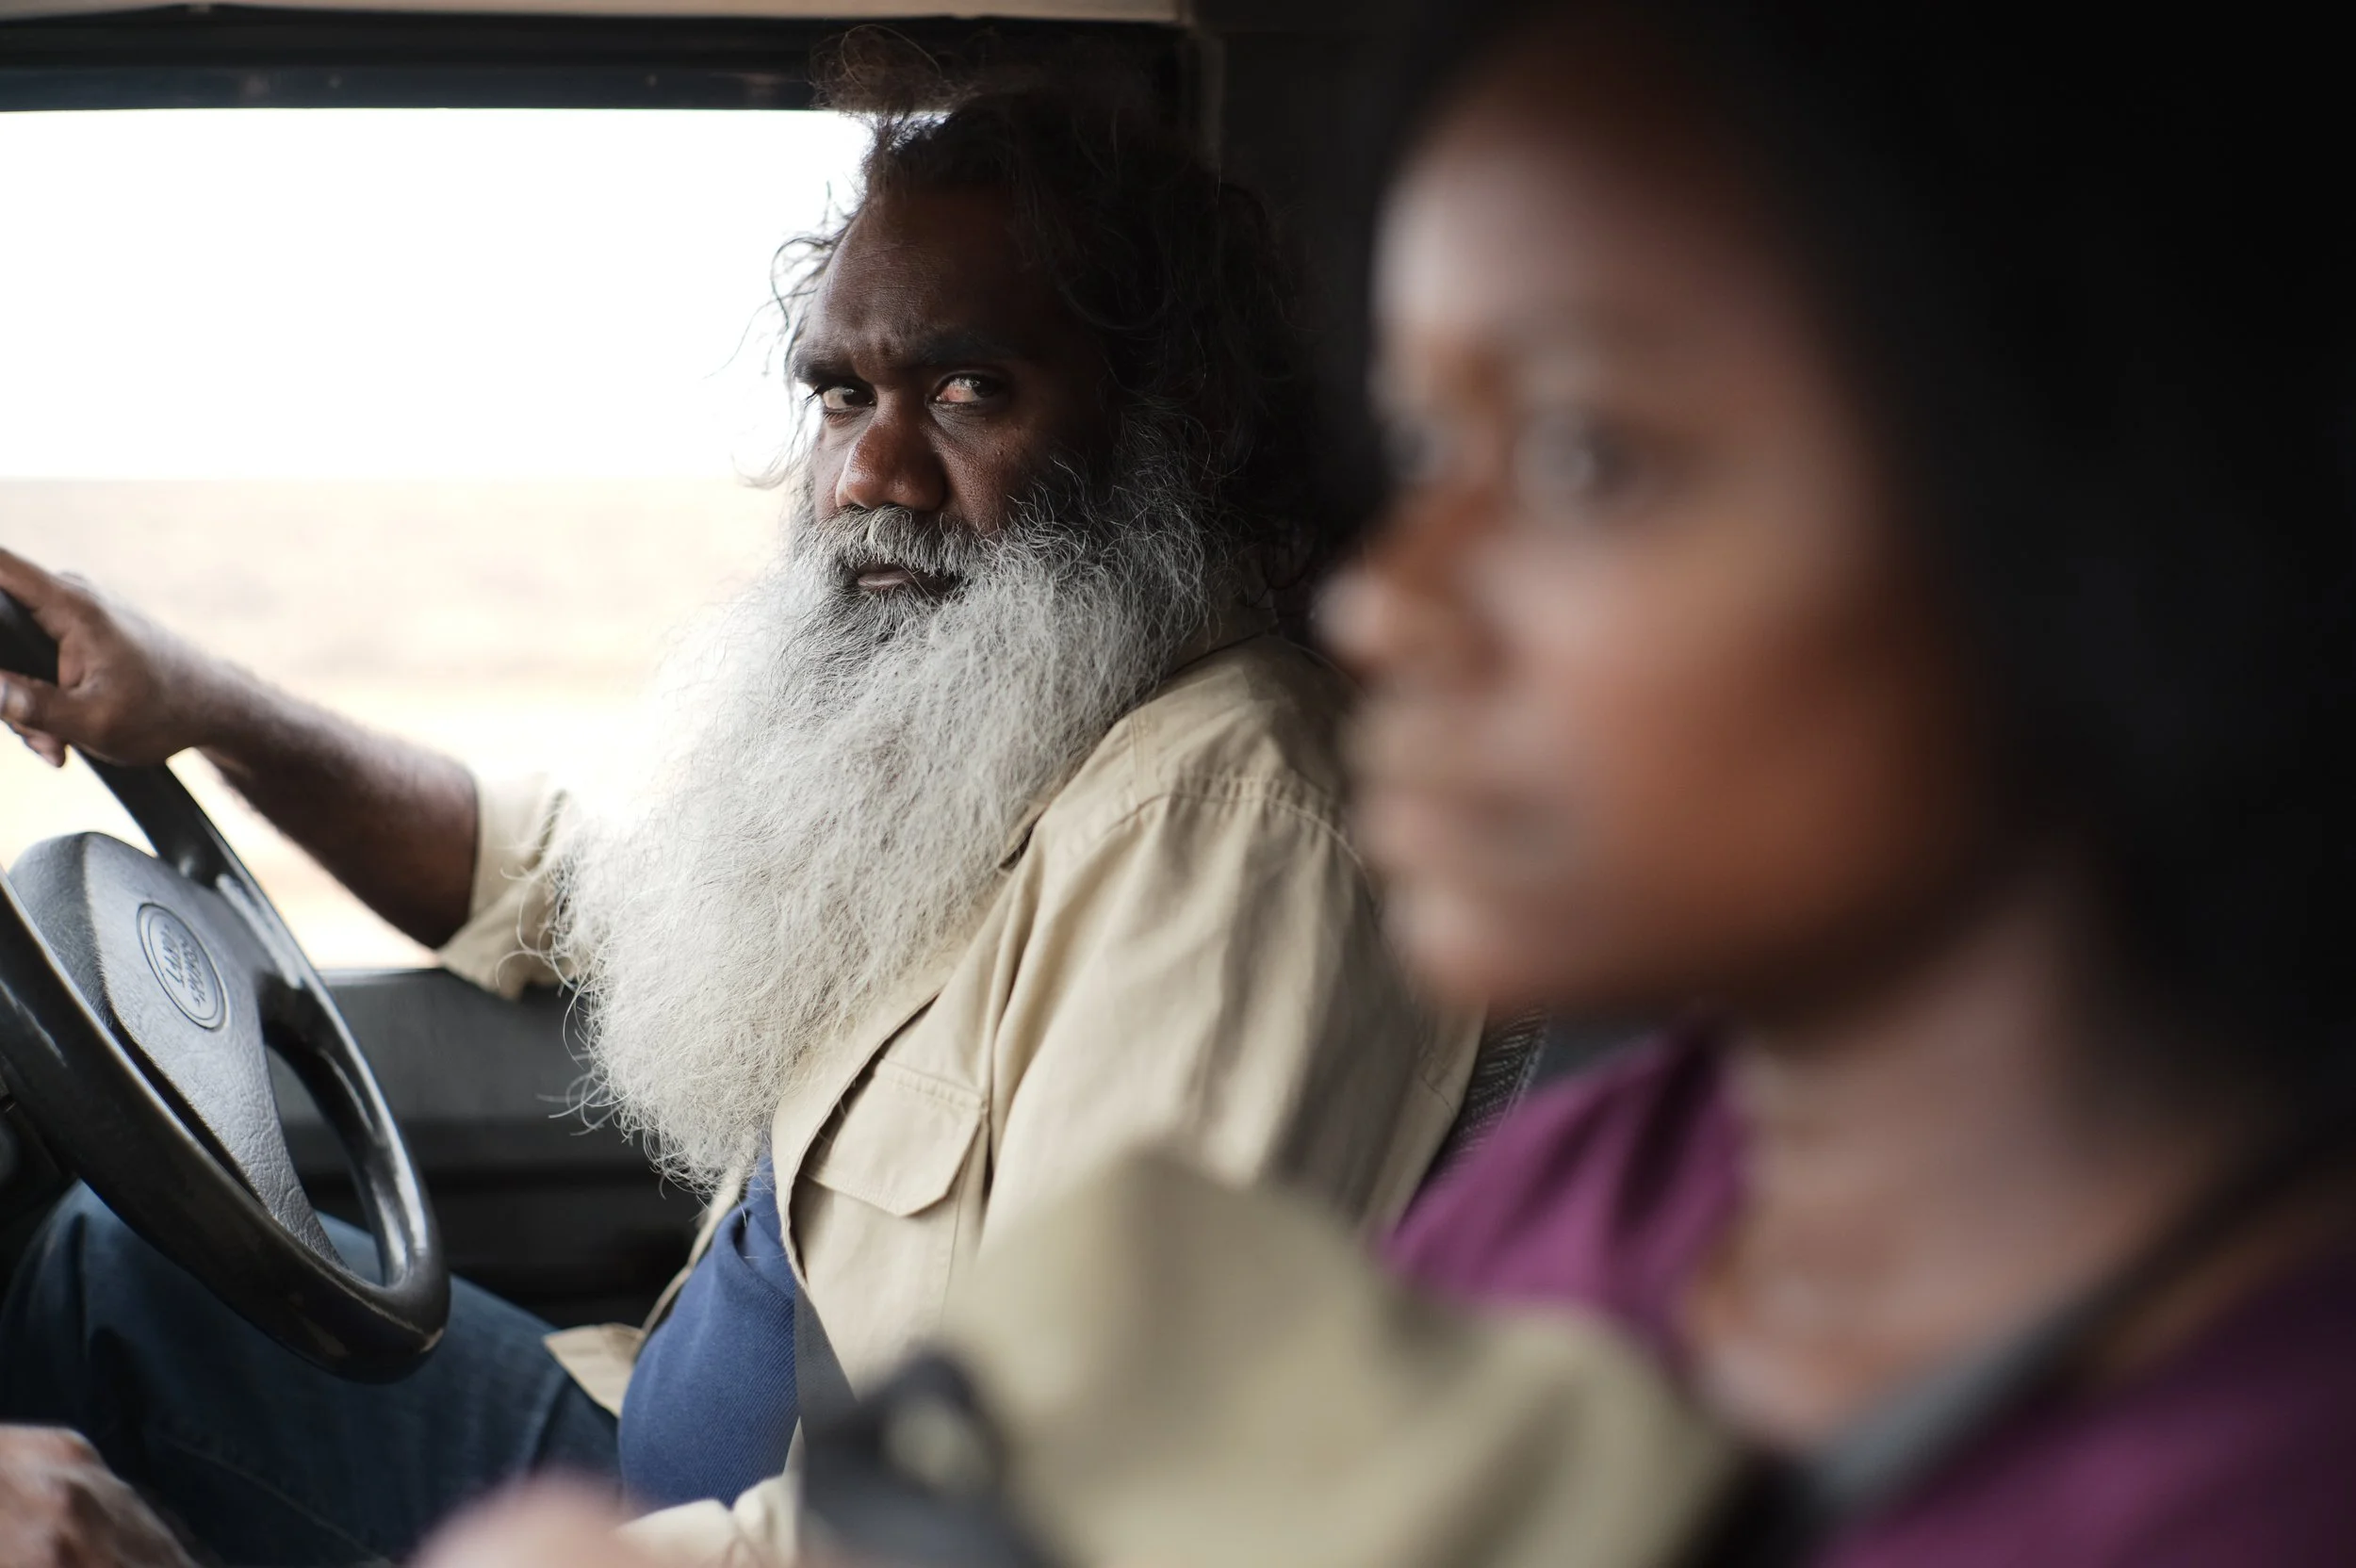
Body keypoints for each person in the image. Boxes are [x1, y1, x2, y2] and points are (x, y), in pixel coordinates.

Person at [0, 80, 1480, 1566]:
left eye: (967, 392)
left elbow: (1072, 1497)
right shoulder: (1020, 726)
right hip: (654, 1461)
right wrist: (216, 705)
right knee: (107, 1274)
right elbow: (571, 889)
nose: (868, 476)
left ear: (1176, 423)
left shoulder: (1226, 820)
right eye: (844, 394)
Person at [1340, 2, 2356, 1563]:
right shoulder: (1586, 1199)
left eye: (1583, 459)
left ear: (2089, 502)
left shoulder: (2270, 1487)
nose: (1387, 598)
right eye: (1423, 450)